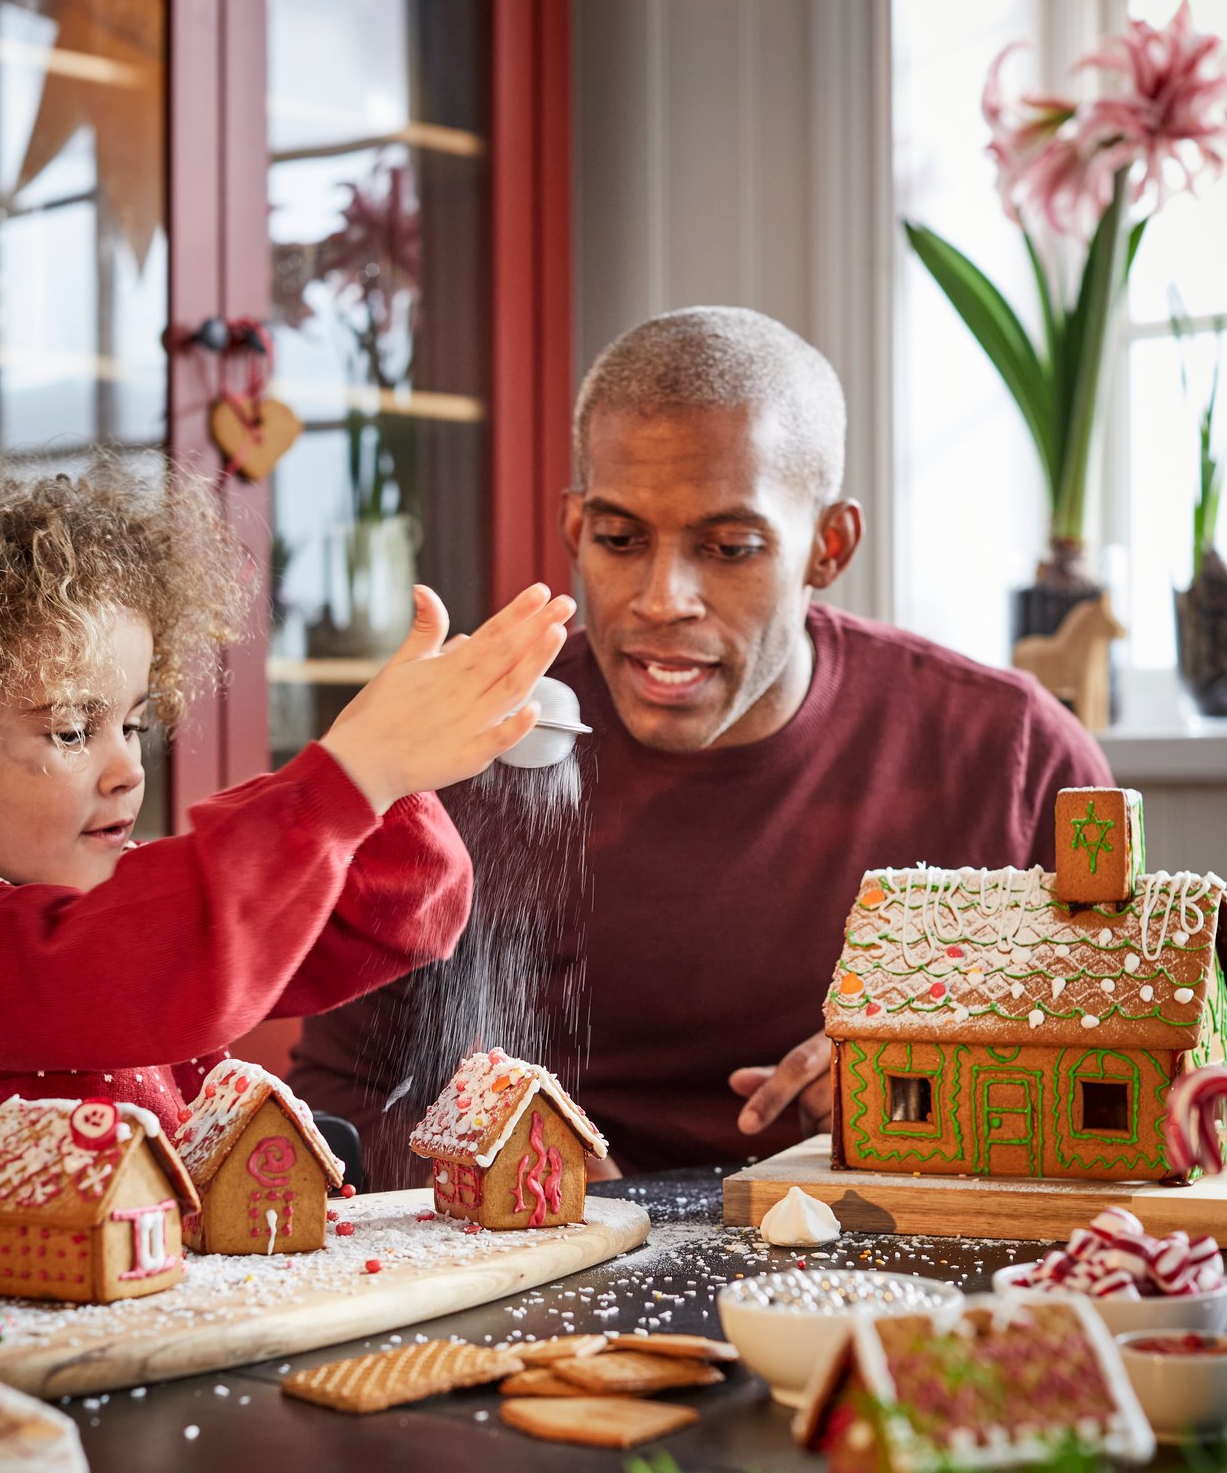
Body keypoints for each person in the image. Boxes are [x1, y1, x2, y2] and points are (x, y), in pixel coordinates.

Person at [292, 307, 1113, 1181]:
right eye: (619, 540)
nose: (661, 599)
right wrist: (502, 1176)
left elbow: (1120, 1096)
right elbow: (342, 1094)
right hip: (549, 1252)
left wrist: (938, 1092)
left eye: (729, 548)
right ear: (575, 529)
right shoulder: (454, 751)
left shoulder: (1013, 758)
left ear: (828, 547)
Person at [0, 458, 575, 1258]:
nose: (127, 770)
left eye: (132, 726)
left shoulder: (117, 898)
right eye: (73, 731)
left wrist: (389, 780)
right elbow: (169, 962)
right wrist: (350, 773)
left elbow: (382, 921)